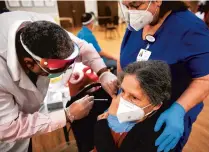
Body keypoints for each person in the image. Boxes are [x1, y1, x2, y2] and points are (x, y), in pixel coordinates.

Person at [0, 11, 117, 152]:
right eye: (57, 69)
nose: (66, 70)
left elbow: (82, 48)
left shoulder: (46, 27)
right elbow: (8, 127)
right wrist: (66, 115)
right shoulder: (2, 71)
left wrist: (103, 72)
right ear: (29, 63)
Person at [118, 1, 209, 152]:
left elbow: (204, 79)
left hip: (166, 114)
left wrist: (179, 109)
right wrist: (121, 91)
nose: (130, 12)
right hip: (132, 110)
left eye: (135, 6)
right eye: (126, 6)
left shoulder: (191, 29)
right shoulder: (136, 24)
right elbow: (124, 57)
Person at [93, 60, 172, 152]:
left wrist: (101, 127)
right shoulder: (112, 113)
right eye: (122, 91)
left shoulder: (156, 138)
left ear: (156, 105)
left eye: (134, 97)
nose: (122, 101)